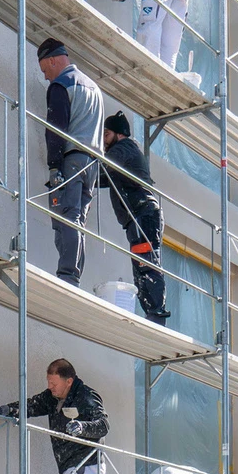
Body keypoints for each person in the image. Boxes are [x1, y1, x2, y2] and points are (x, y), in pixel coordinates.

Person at [38, 37, 104, 288]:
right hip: (92, 165)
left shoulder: (62, 85)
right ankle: (74, 273)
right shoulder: (94, 88)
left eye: (45, 70)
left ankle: (67, 275)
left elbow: (56, 130)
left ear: (53, 60)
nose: (46, 77)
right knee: (78, 219)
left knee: (66, 216)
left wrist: (54, 166)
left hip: (72, 160)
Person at [100, 111, 170, 324]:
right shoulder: (125, 153)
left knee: (146, 265)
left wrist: (78, 169)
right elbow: (104, 177)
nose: (103, 139)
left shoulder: (124, 148)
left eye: (106, 134)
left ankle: (156, 314)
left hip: (143, 215)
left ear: (119, 134)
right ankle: (152, 313)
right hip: (140, 216)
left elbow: (102, 168)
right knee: (142, 266)